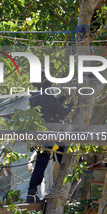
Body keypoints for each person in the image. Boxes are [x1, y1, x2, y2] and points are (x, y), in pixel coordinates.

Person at [26, 72, 74, 203]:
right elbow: (62, 112)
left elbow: (50, 105)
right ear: (45, 79)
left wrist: (63, 98)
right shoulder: (47, 95)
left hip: (43, 133)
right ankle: (69, 189)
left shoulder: (36, 96)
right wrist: (70, 103)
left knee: (41, 162)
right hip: (54, 132)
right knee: (65, 158)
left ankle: (31, 194)